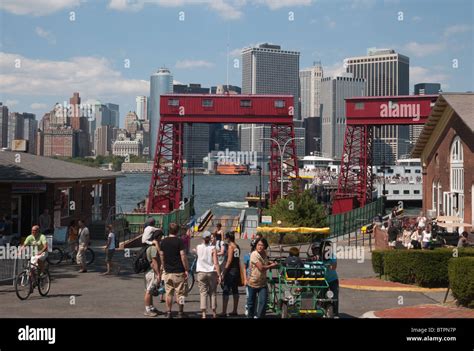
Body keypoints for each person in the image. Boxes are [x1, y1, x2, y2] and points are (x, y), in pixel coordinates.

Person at [159, 223, 189, 318]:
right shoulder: (179, 242)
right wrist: (186, 269)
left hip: (168, 271)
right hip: (179, 271)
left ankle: (168, 312)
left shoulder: (163, 242)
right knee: (181, 294)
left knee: (169, 293)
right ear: (177, 231)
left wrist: (163, 266)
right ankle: (180, 312)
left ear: (169, 230)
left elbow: (162, 255)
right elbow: (183, 256)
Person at [247, 238, 278, 318]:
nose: (260, 247)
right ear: (256, 246)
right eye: (258, 245)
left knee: (263, 303)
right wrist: (271, 266)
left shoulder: (264, 253)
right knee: (251, 304)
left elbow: (265, 262)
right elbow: (261, 268)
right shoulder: (254, 254)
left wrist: (271, 262)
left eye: (262, 245)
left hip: (262, 283)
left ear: (265, 246)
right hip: (253, 282)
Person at [195, 231, 221, 319]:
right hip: (211, 272)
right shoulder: (213, 248)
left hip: (201, 272)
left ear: (202, 238)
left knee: (203, 293)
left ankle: (203, 314)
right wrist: (219, 275)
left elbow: (198, 253)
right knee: (213, 292)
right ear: (210, 238)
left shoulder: (198, 247)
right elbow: (216, 262)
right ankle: (214, 313)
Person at [220, 232, 241, 317]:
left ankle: (224, 311)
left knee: (226, 290)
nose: (225, 239)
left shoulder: (231, 246)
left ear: (228, 238)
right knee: (235, 290)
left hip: (230, 271)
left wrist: (224, 271)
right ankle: (235, 310)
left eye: (226, 238)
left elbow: (229, 260)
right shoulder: (237, 246)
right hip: (236, 270)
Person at [144, 230, 162, 317]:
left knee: (150, 291)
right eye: (161, 237)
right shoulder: (154, 248)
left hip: (149, 272)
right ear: (158, 237)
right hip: (152, 272)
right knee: (149, 291)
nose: (161, 239)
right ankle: (147, 309)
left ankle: (151, 307)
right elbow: (154, 262)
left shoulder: (150, 246)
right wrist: (158, 274)